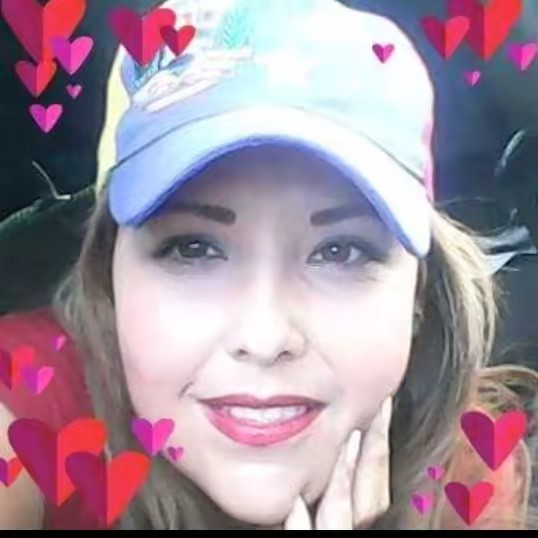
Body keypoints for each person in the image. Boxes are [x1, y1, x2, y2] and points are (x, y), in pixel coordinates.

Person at [0, 0, 536, 530]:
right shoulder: (28, 411)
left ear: (417, 297)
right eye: (193, 248)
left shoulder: (463, 472)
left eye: (340, 251)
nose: (264, 338)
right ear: (109, 280)